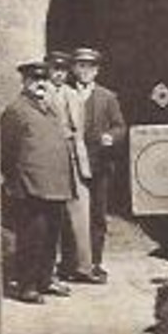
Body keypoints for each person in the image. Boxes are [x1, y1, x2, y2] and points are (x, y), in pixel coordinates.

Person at [0, 61, 78, 303]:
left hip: (55, 185)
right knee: (32, 236)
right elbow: (7, 152)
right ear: (24, 82)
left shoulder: (49, 108)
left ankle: (45, 279)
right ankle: (26, 285)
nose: (41, 84)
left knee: (51, 235)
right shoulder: (16, 111)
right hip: (30, 186)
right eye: (34, 80)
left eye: (43, 79)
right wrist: (15, 181)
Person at [45, 49, 100, 285]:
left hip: (76, 158)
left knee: (80, 212)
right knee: (51, 213)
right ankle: (50, 271)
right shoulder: (41, 93)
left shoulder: (72, 94)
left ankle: (83, 267)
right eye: (54, 70)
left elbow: (80, 130)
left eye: (63, 70)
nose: (58, 74)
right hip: (51, 157)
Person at [70, 47, 126, 281]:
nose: (85, 72)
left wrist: (111, 137)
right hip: (72, 164)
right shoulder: (66, 93)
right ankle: (72, 263)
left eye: (90, 67)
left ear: (97, 71)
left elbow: (120, 126)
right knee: (72, 214)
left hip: (100, 164)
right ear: (74, 69)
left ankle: (95, 262)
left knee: (97, 215)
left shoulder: (107, 97)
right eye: (80, 66)